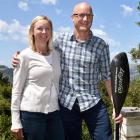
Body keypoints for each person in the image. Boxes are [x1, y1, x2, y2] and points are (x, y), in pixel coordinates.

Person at [12, 2, 123, 140]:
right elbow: (40, 49)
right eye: (81, 15)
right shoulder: (60, 41)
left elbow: (107, 77)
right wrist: (19, 57)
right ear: (73, 17)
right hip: (66, 104)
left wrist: (115, 106)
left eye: (89, 15)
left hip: (93, 102)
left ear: (92, 18)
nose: (85, 19)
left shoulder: (101, 45)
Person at [11, 15, 64, 140]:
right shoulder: (24, 56)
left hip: (54, 113)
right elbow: (16, 89)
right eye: (40, 28)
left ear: (51, 32)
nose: (44, 32)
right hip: (31, 115)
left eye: (47, 29)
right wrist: (15, 121)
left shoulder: (57, 55)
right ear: (32, 32)